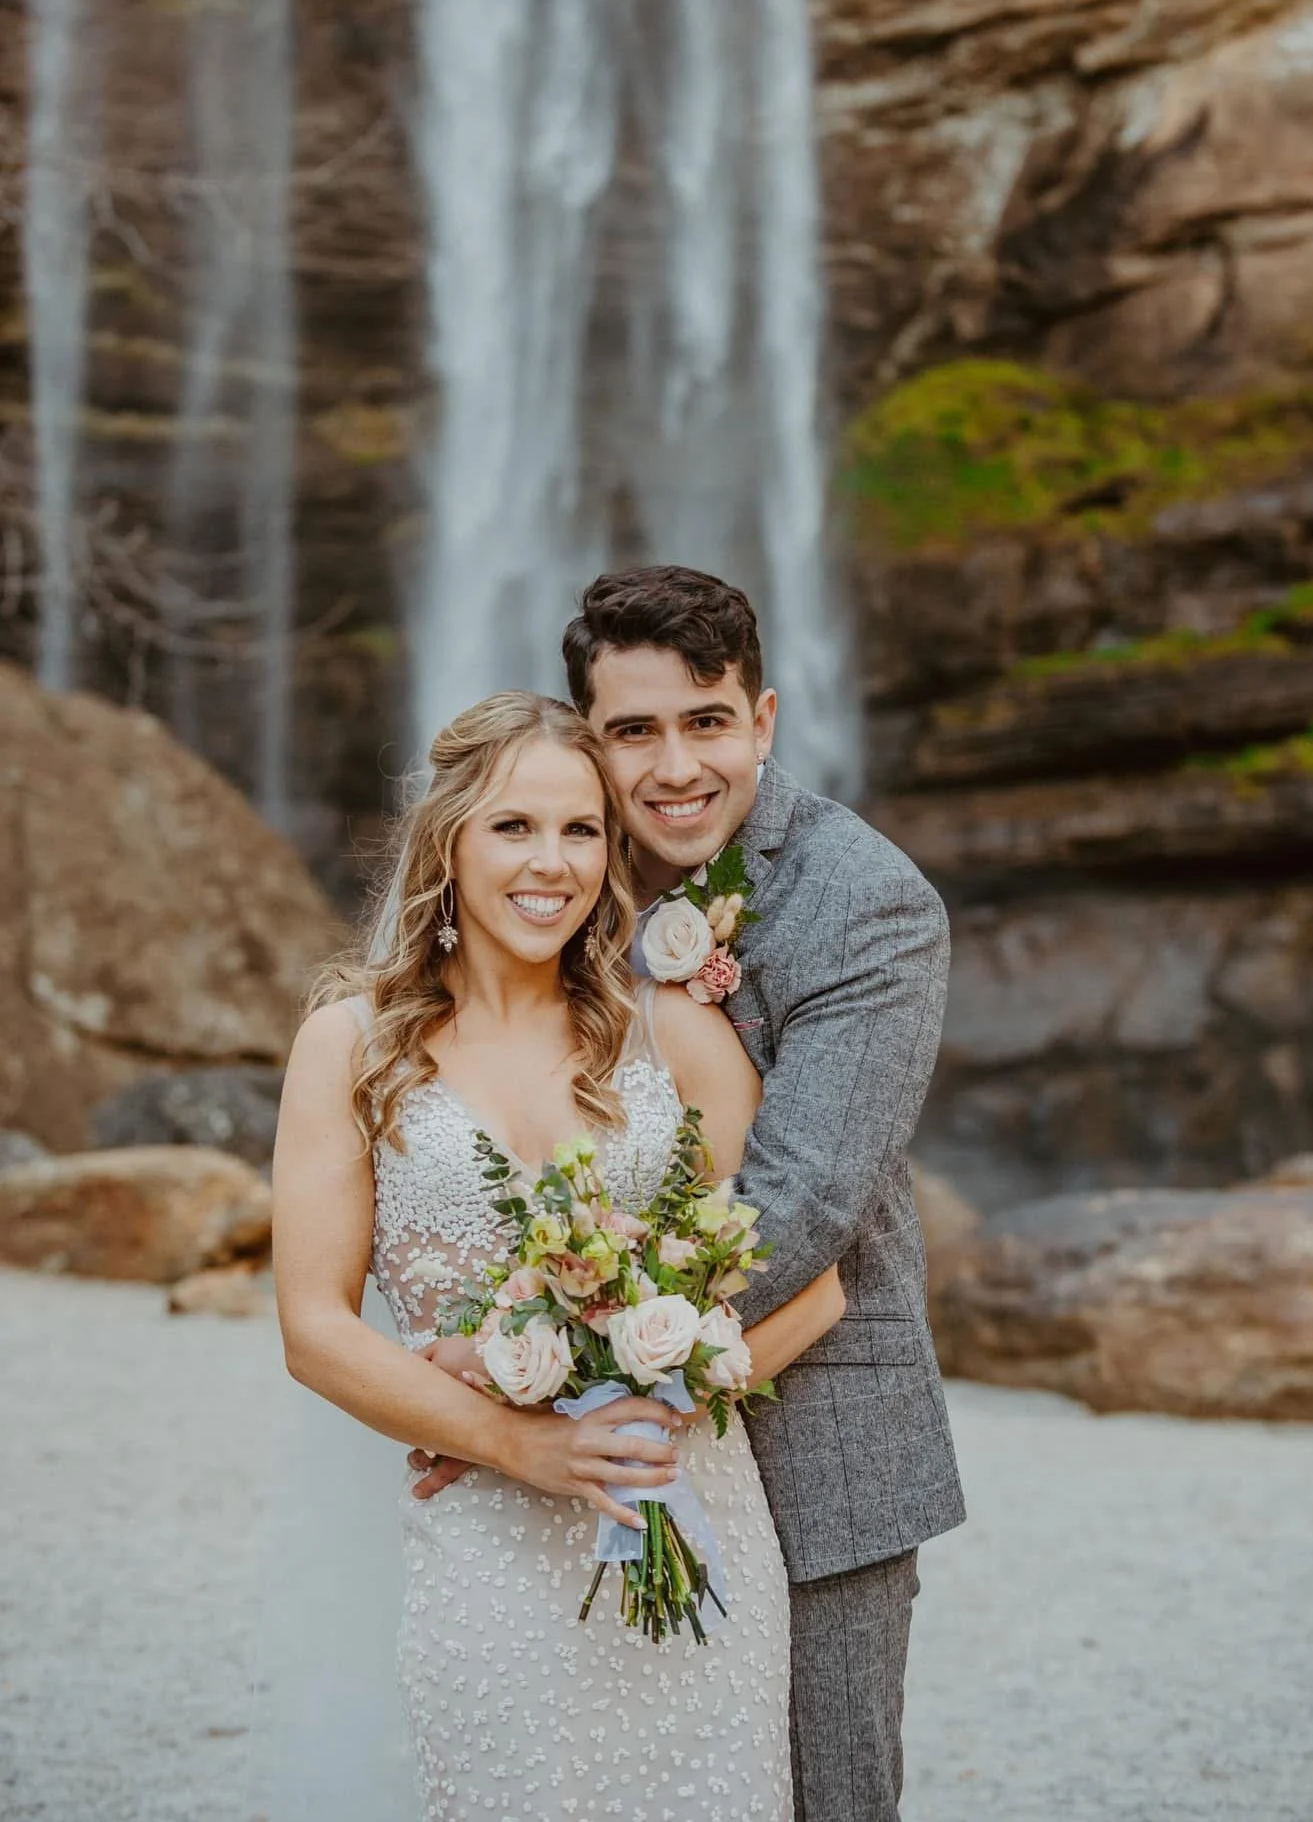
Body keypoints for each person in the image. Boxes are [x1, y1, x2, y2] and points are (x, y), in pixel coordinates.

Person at [416, 567, 964, 1822]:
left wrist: (523, 1358)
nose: (674, 766)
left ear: (762, 720)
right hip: (595, 1454)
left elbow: (802, 1198)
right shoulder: (572, 883)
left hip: (813, 1438)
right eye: (634, 731)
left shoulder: (865, 901)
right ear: (587, 743)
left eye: (705, 722)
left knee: (824, 1795)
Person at [272, 691, 846, 1822]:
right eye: (513, 827)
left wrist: (656, 1389)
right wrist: (514, 1439)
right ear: (448, 840)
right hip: (486, 1543)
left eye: (581, 829)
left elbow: (813, 1284)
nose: (553, 863)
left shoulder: (674, 1035)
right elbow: (315, 1325)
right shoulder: (346, 1046)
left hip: (689, 1514)